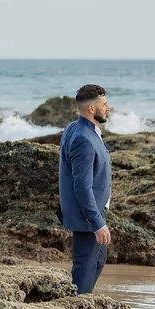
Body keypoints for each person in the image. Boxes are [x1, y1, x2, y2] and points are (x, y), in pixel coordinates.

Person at [58, 84, 112, 295]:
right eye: (104, 104)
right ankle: (78, 308)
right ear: (91, 109)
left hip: (94, 209)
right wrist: (97, 223)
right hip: (87, 214)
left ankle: (82, 301)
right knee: (85, 265)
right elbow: (82, 186)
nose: (108, 108)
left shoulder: (76, 128)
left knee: (97, 260)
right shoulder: (82, 138)